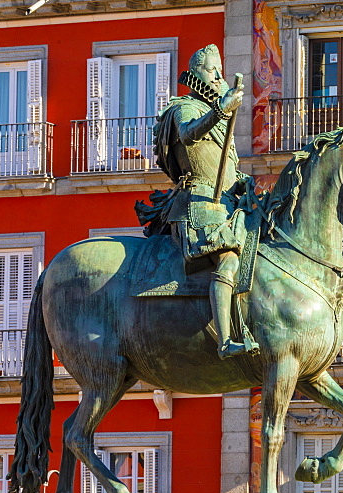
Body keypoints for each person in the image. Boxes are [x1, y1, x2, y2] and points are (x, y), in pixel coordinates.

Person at [151, 44, 251, 359]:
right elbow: (189, 135)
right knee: (228, 259)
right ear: (196, 74)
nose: (219, 75)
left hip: (227, 203)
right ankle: (224, 341)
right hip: (197, 202)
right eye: (212, 69)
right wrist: (220, 110)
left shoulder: (220, 120)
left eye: (220, 70)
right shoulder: (185, 107)